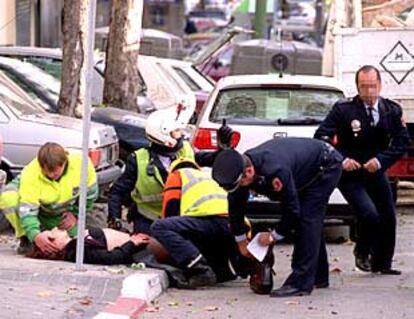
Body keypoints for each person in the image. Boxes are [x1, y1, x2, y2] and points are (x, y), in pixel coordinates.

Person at [212, 137, 343, 297]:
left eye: (239, 185)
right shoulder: (239, 168)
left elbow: (292, 211)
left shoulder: (275, 170)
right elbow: (235, 207)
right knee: (308, 221)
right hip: (303, 168)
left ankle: (300, 283)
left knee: (307, 219)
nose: (238, 189)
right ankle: (318, 275)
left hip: (325, 164)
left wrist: (274, 236)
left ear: (249, 172)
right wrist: (241, 241)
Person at [314, 65, 410, 275]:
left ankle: (382, 263)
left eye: (373, 87)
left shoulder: (391, 110)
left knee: (388, 216)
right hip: (350, 174)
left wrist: (381, 160)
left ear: (380, 85)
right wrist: (341, 159)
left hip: (375, 170)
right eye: (364, 87)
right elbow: (321, 137)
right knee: (368, 214)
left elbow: (402, 143)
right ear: (357, 87)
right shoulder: (344, 110)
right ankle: (362, 251)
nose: (369, 93)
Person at [150, 157, 251, 288]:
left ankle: (200, 269)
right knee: (203, 234)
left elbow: (170, 209)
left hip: (211, 222)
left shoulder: (177, 175)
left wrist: (173, 248)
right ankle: (232, 269)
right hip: (237, 228)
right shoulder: (210, 173)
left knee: (160, 227)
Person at [108, 106, 195, 235]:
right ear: (164, 136)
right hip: (149, 224)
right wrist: (115, 220)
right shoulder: (138, 160)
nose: (181, 134)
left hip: (181, 220)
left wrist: (224, 147)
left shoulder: (186, 149)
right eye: (176, 131)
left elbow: (208, 160)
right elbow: (116, 192)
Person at [17, 142, 98, 256]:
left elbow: (90, 195)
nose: (50, 175)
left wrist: (75, 214)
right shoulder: (30, 173)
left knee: (81, 240)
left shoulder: (82, 164)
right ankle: (26, 240)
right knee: (9, 199)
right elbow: (27, 210)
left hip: (66, 210)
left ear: (64, 162)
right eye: (47, 171)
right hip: (43, 209)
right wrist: (34, 235)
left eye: (54, 171)